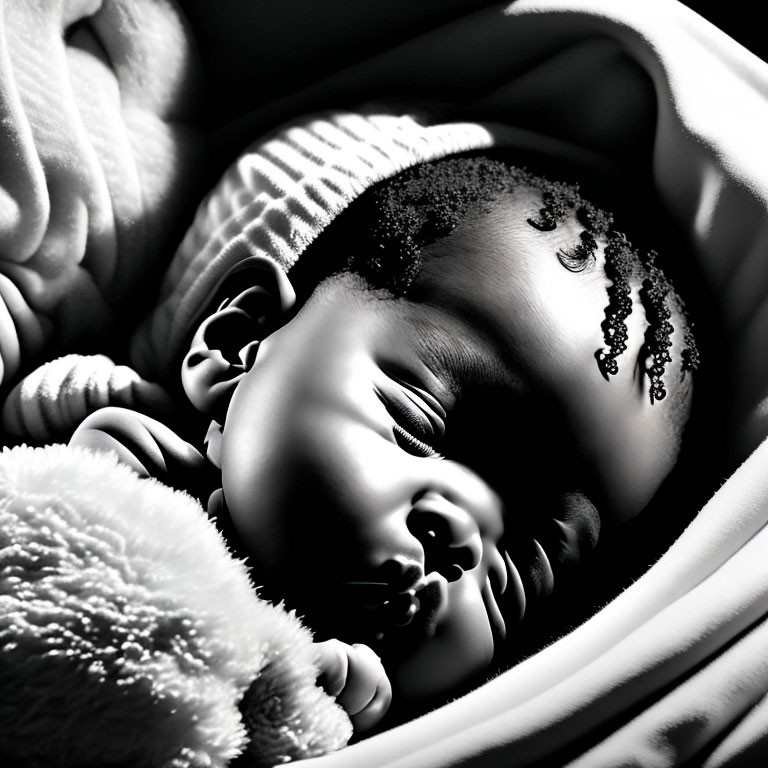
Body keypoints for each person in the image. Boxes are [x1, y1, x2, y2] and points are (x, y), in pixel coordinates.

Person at [70, 153, 699, 735]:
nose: (462, 533)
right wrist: (102, 499)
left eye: (526, 567)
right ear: (243, 344)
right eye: (417, 423)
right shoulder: (110, 437)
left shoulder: (406, 729)